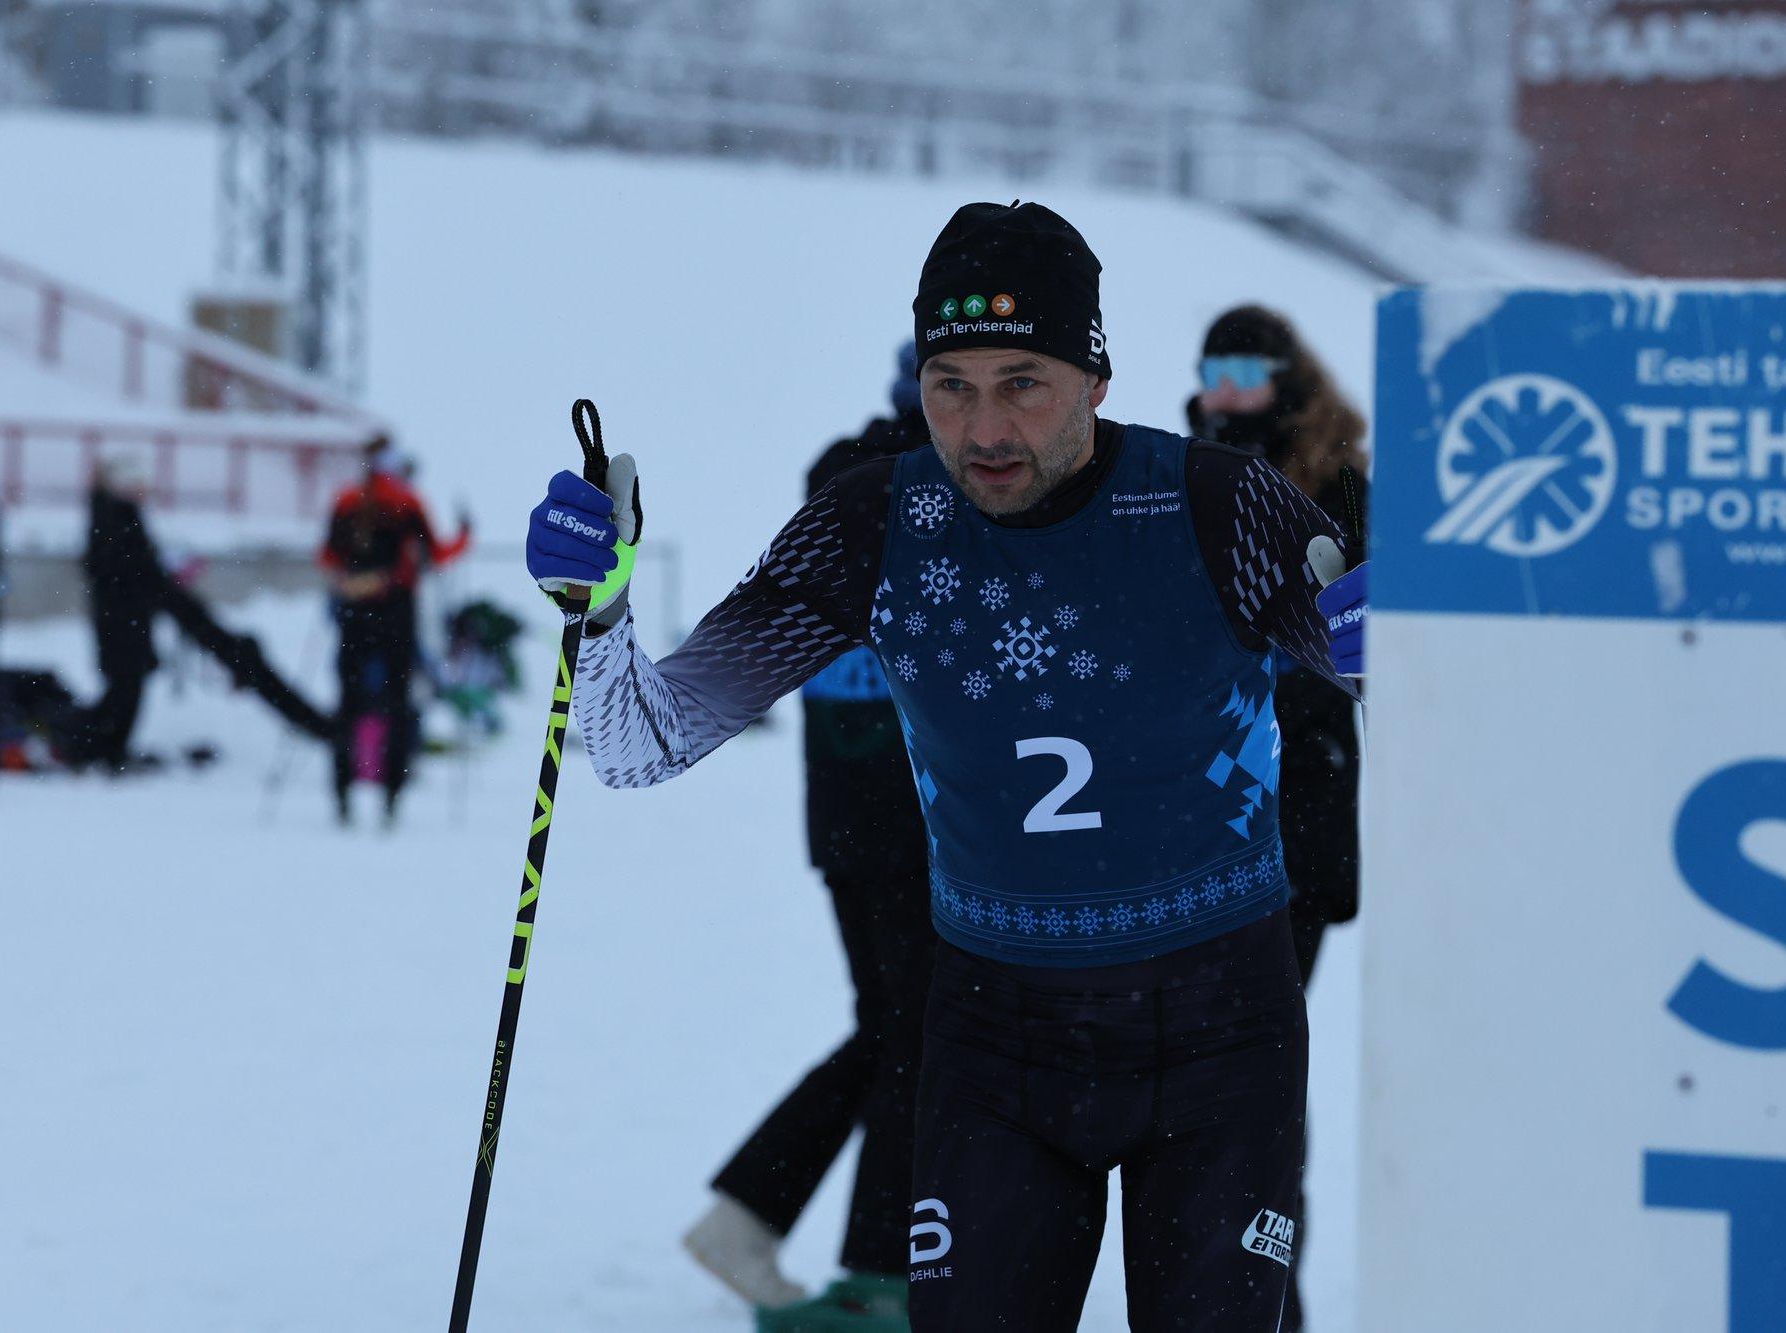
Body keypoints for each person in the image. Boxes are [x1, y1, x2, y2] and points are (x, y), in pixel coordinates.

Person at [527, 201, 1365, 1330]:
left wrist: (1394, 633)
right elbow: (640, 741)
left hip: (1218, 1034)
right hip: (994, 1039)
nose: (983, 428)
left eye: (1024, 381)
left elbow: (1389, 679)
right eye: (950, 384)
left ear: (1095, 379)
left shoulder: (1213, 502)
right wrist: (602, 606)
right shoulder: (876, 520)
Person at [681, 345, 936, 1332]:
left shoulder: (844, 473)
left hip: (846, 801)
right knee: (911, 1029)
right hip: (904, 803)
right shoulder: (913, 483)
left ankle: (759, 1222)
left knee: (896, 1026)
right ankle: (872, 1267)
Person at [1187, 304, 1368, 1332]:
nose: (1223, 382)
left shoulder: (1333, 483)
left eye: (1243, 364)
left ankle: (1264, 1299)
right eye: (1212, 363)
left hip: (1292, 818)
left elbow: (1368, 650)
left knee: (1254, 1081)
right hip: (1185, 811)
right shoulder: (1170, 473)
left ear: (1282, 374)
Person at [320, 436, 469, 826]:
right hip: (396, 614)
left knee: (348, 705)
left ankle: (341, 793)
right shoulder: (408, 502)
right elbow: (436, 555)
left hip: (353, 613)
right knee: (398, 705)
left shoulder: (346, 500)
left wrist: (354, 580)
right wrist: (466, 535)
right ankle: (391, 796)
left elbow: (328, 556)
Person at [79, 457, 167, 772]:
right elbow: (119, 566)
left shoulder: (116, 514)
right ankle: (109, 749)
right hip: (122, 618)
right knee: (125, 685)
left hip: (126, 617)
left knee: (126, 685)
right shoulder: (112, 516)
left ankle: (110, 747)